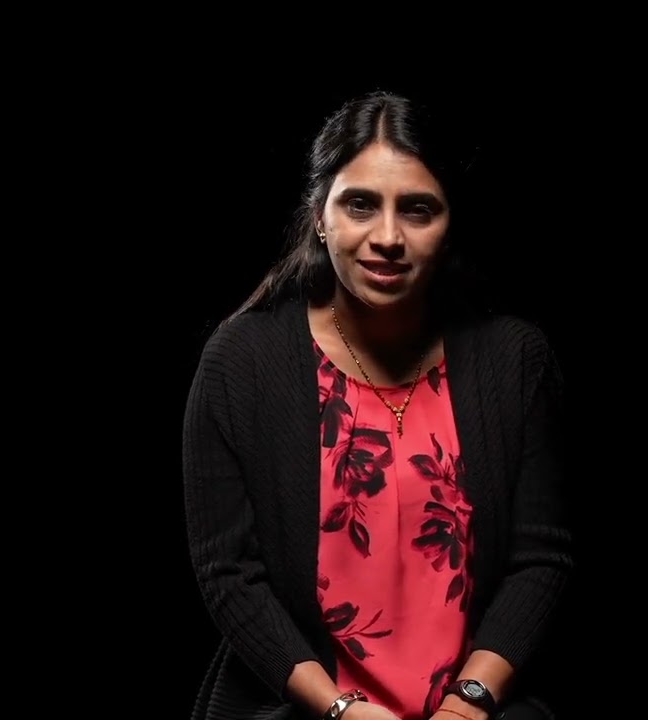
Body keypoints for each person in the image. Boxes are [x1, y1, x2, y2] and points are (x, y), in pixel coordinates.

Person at [182, 90, 571, 720]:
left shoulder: (514, 360)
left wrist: (467, 704)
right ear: (319, 214)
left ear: (450, 223)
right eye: (360, 204)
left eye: (418, 210)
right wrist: (339, 710)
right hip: (306, 710)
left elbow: (542, 558)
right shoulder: (241, 363)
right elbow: (228, 574)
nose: (387, 237)